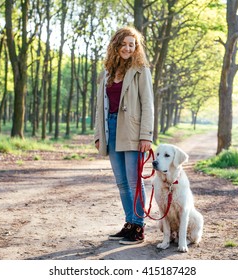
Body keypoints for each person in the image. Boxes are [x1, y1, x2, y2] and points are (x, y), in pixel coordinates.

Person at [94, 26, 154, 245]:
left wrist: (146, 135)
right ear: (116, 45)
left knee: (134, 181)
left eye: (132, 44)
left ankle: (138, 227)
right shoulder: (108, 73)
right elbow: (100, 107)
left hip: (132, 130)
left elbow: (148, 105)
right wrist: (98, 134)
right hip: (111, 129)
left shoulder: (141, 70)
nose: (128, 48)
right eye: (124, 44)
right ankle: (129, 224)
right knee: (121, 183)